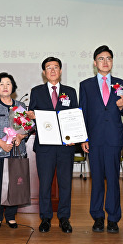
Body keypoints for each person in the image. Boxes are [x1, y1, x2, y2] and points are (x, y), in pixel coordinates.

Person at [79, 45, 123, 233]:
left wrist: (122, 106)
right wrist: (83, 138)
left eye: (108, 58)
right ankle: (98, 217)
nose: (105, 62)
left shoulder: (121, 83)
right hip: (94, 138)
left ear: (112, 62)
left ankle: (114, 218)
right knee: (97, 179)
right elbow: (83, 113)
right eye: (101, 58)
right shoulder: (85, 85)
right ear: (95, 63)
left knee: (113, 179)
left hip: (113, 138)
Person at [26, 57, 78, 233]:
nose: (53, 70)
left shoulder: (70, 92)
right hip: (45, 146)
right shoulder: (37, 91)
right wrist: (31, 117)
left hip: (65, 145)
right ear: (44, 72)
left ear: (61, 71)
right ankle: (46, 218)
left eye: (56, 67)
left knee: (65, 183)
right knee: (45, 183)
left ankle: (64, 218)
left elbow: (74, 116)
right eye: (49, 68)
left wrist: (76, 136)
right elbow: (30, 116)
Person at [0, 72, 27, 229]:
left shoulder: (20, 106)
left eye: (8, 83)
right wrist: (2, 143)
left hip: (16, 152)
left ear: (13, 87)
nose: (5, 87)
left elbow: (26, 129)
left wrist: (21, 137)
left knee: (15, 186)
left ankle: (10, 215)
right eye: (1, 84)